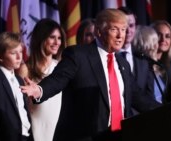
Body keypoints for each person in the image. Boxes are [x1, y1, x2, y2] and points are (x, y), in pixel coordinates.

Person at [20, 9, 160, 141]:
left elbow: (138, 97)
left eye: (123, 30)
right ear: (99, 32)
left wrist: (168, 110)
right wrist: (39, 90)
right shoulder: (78, 55)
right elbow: (58, 79)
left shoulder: (123, 64)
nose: (120, 35)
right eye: (114, 29)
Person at [17, 18, 66, 141]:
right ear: (41, 38)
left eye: (59, 38)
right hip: (35, 128)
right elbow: (19, 104)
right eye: (52, 37)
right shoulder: (26, 69)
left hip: (59, 129)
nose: (57, 42)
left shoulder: (62, 67)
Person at [0, 32, 33, 141]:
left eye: (20, 51)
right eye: (13, 53)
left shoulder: (19, 79)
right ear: (0, 57)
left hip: (25, 136)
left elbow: (23, 111)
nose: (19, 57)